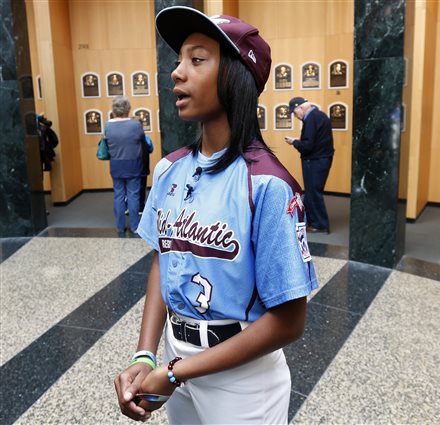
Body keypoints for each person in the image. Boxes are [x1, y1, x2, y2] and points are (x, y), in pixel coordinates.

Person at [114, 6, 317, 425]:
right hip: (174, 357)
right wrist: (146, 354)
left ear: (235, 76)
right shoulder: (170, 168)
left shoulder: (267, 184)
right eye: (178, 60)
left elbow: (289, 322)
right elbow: (162, 256)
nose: (177, 72)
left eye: (197, 59)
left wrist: (173, 374)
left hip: (241, 380)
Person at [284, 97, 334, 234]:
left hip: (314, 161)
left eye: (294, 113)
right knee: (313, 192)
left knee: (313, 193)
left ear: (300, 108)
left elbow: (307, 146)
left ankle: (320, 224)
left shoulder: (310, 119)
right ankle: (312, 220)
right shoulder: (319, 116)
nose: (296, 116)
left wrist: (294, 143)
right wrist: (299, 140)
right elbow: (314, 140)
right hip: (322, 159)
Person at [106, 95, 146, 234]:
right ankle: (135, 227)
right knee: (133, 195)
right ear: (128, 109)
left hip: (116, 165)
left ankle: (120, 227)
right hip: (133, 165)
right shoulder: (135, 125)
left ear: (114, 109)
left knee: (118, 195)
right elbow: (142, 140)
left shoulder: (108, 125)